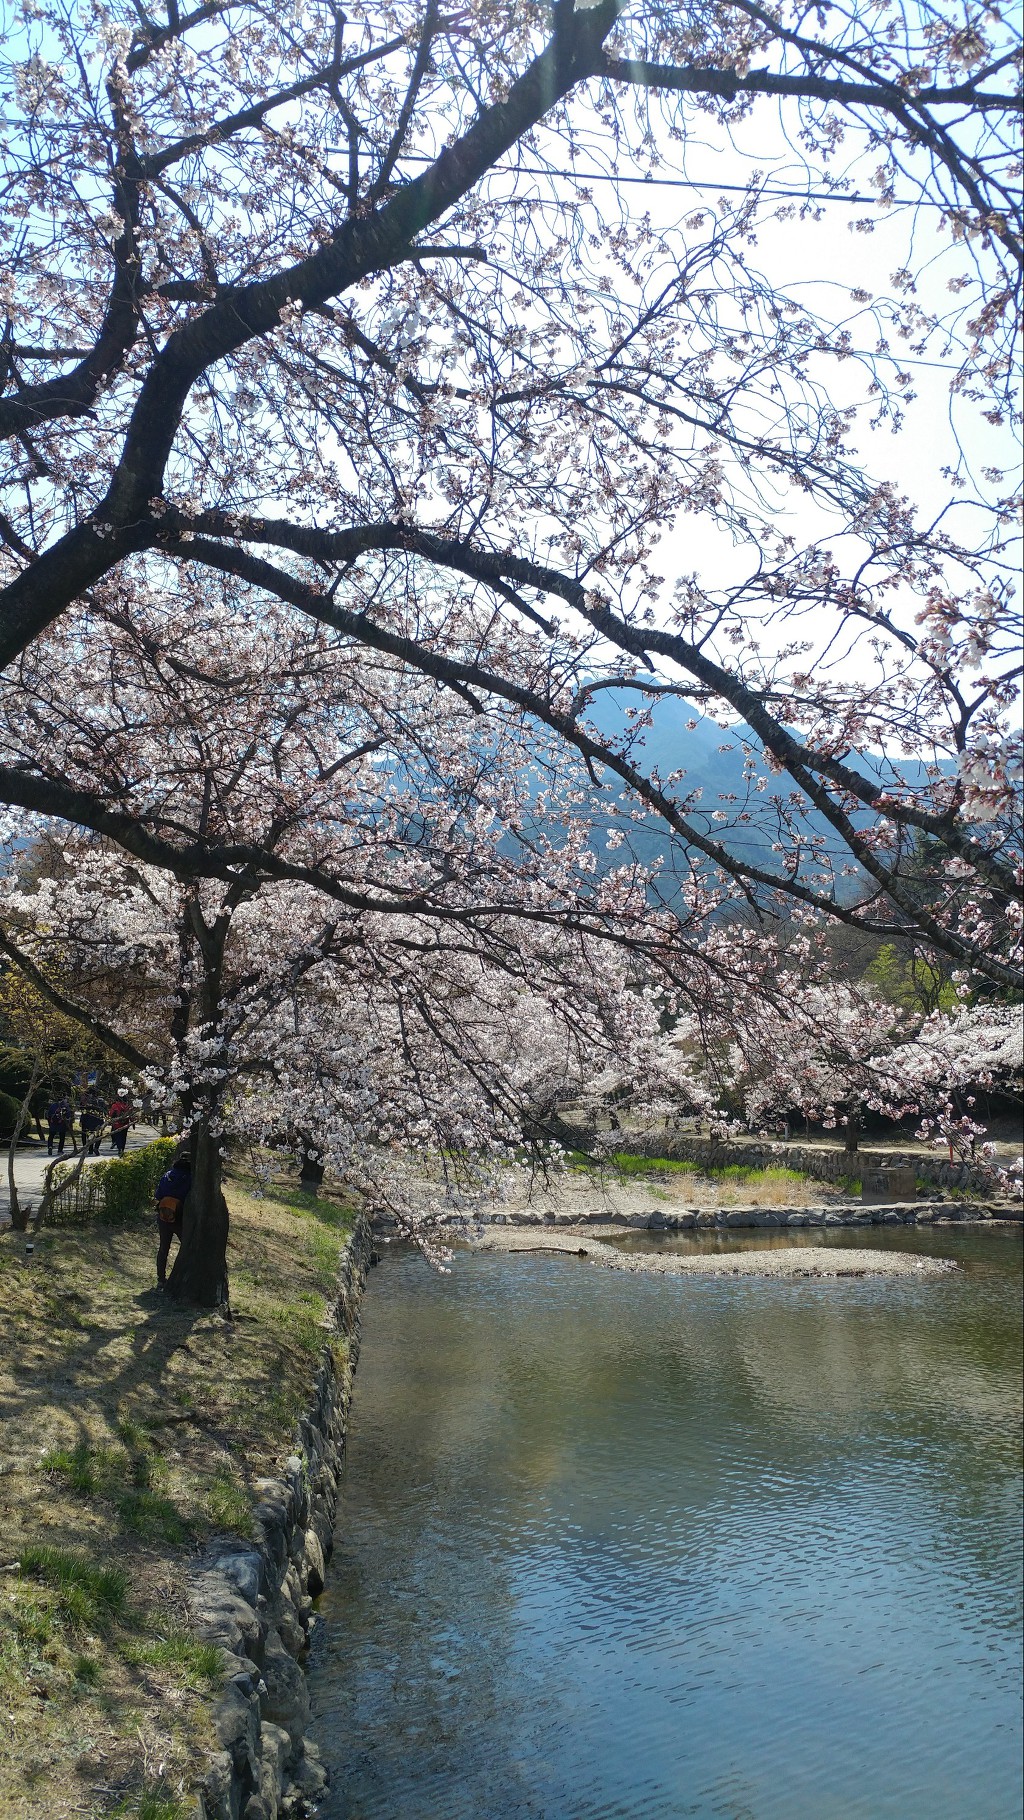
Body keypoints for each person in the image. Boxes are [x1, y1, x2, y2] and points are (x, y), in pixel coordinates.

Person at [154, 1151, 191, 1289]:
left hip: (163, 1216)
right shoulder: (190, 1178)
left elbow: (158, 1195)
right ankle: (183, 1275)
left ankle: (161, 1278)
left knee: (163, 1248)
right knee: (187, 1246)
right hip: (180, 1218)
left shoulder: (167, 1175)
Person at [109, 1087, 134, 1156]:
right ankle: (122, 1149)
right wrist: (132, 1122)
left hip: (117, 1124)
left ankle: (119, 1148)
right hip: (125, 1124)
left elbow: (111, 1114)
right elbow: (131, 1115)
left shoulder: (115, 1105)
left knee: (118, 1136)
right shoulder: (127, 1106)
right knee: (123, 1137)